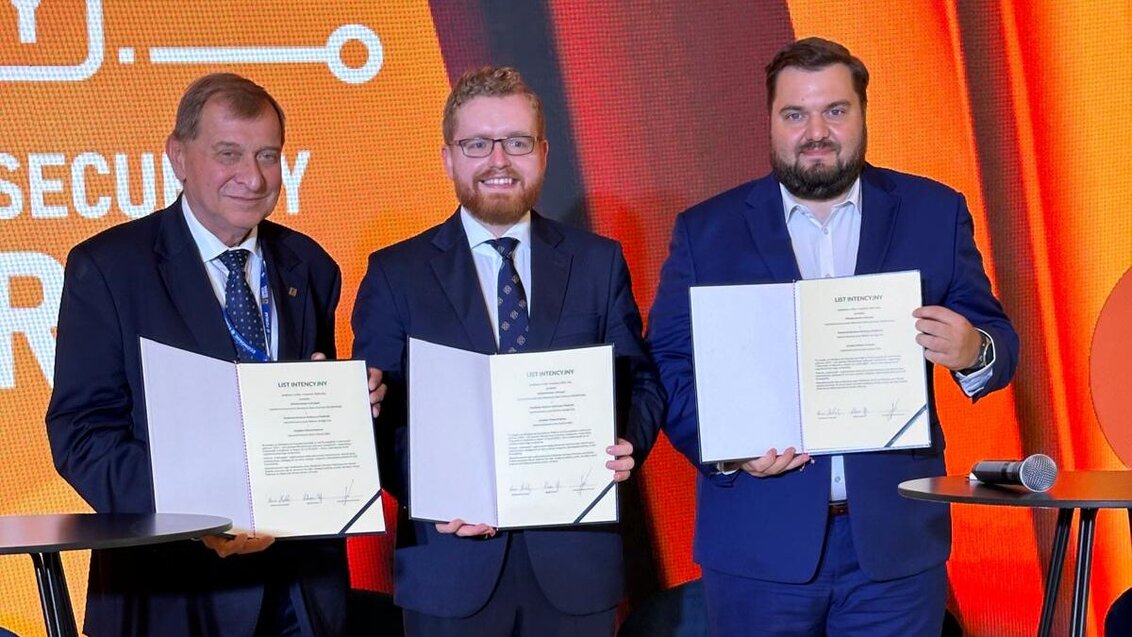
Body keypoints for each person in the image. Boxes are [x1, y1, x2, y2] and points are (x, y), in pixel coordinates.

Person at [647, 38, 1019, 637]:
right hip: (757, 545)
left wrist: (975, 350)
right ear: (770, 121)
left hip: (895, 547)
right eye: (795, 114)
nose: (815, 131)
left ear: (864, 114)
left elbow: (998, 341)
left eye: (835, 111)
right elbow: (668, 363)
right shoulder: (706, 231)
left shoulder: (933, 211)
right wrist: (727, 448)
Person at [46, 73, 384, 637]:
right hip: (174, 594)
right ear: (178, 156)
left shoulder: (310, 264)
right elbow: (82, 434)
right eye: (228, 154)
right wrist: (196, 514)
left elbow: (302, 423)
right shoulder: (109, 268)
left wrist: (351, 412)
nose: (252, 178)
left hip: (301, 592)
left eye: (268, 155)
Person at [351, 65, 664, 636]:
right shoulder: (395, 273)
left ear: (543, 152)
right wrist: (433, 493)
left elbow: (639, 378)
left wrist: (630, 441)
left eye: (516, 142)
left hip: (576, 565)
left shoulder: (597, 261)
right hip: (449, 568)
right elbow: (372, 416)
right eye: (477, 144)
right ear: (448, 157)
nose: (499, 160)